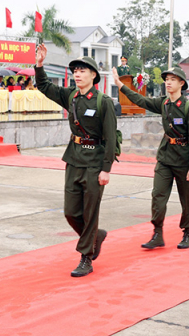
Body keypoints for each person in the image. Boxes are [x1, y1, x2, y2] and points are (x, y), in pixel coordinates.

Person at [36, 45, 117, 277]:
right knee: (71, 212)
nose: (78, 74)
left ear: (94, 75)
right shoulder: (70, 95)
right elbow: (44, 86)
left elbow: (110, 137)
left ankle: (86, 258)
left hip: (94, 162)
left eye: (83, 70)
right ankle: (95, 237)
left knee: (90, 212)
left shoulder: (103, 102)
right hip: (74, 158)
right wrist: (40, 65)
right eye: (75, 71)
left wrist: (106, 169)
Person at [114, 65, 189, 251]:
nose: (168, 82)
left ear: (181, 83)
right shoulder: (163, 103)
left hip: (185, 159)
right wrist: (121, 86)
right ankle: (158, 233)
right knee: (158, 195)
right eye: (166, 79)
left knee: (188, 198)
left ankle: (187, 233)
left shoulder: (188, 107)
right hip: (166, 157)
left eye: (172, 79)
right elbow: (141, 100)